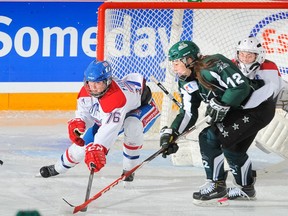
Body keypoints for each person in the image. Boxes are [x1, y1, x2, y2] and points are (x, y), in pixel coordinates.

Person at [160, 40, 277, 205]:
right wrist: (172, 133)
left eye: (177, 62)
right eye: (172, 63)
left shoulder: (212, 64)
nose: (174, 67)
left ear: (189, 60)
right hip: (244, 110)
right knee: (233, 149)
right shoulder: (186, 82)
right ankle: (246, 189)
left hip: (257, 106)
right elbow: (188, 113)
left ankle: (216, 185)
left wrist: (223, 102)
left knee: (208, 137)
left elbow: (240, 87)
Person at [39, 60, 160, 182]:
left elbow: (109, 131)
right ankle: (58, 168)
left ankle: (129, 169)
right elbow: (85, 113)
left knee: (132, 125)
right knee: (82, 147)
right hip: (116, 114)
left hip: (143, 108)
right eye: (90, 82)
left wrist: (98, 148)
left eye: (97, 83)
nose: (92, 87)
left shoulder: (116, 98)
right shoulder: (85, 92)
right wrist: (79, 122)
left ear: (107, 82)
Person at [233, 36, 284, 103]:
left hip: (260, 106)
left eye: (249, 55)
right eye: (242, 54)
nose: (245, 58)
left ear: (257, 56)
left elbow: (275, 91)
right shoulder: (230, 64)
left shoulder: (269, 66)